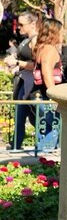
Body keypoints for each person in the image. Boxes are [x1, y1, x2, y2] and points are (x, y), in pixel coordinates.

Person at [6, 11, 40, 149]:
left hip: (31, 83)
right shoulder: (26, 39)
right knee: (21, 115)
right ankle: (16, 144)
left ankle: (46, 144)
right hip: (23, 81)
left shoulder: (35, 40)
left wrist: (17, 62)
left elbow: (37, 65)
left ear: (32, 24)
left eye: (21, 24)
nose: (18, 27)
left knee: (35, 116)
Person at [32, 17, 67, 147]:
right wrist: (54, 98)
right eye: (61, 31)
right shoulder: (49, 50)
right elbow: (46, 73)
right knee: (54, 127)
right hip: (46, 97)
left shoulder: (41, 48)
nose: (63, 34)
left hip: (40, 95)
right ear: (54, 33)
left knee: (46, 128)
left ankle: (42, 155)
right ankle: (45, 156)